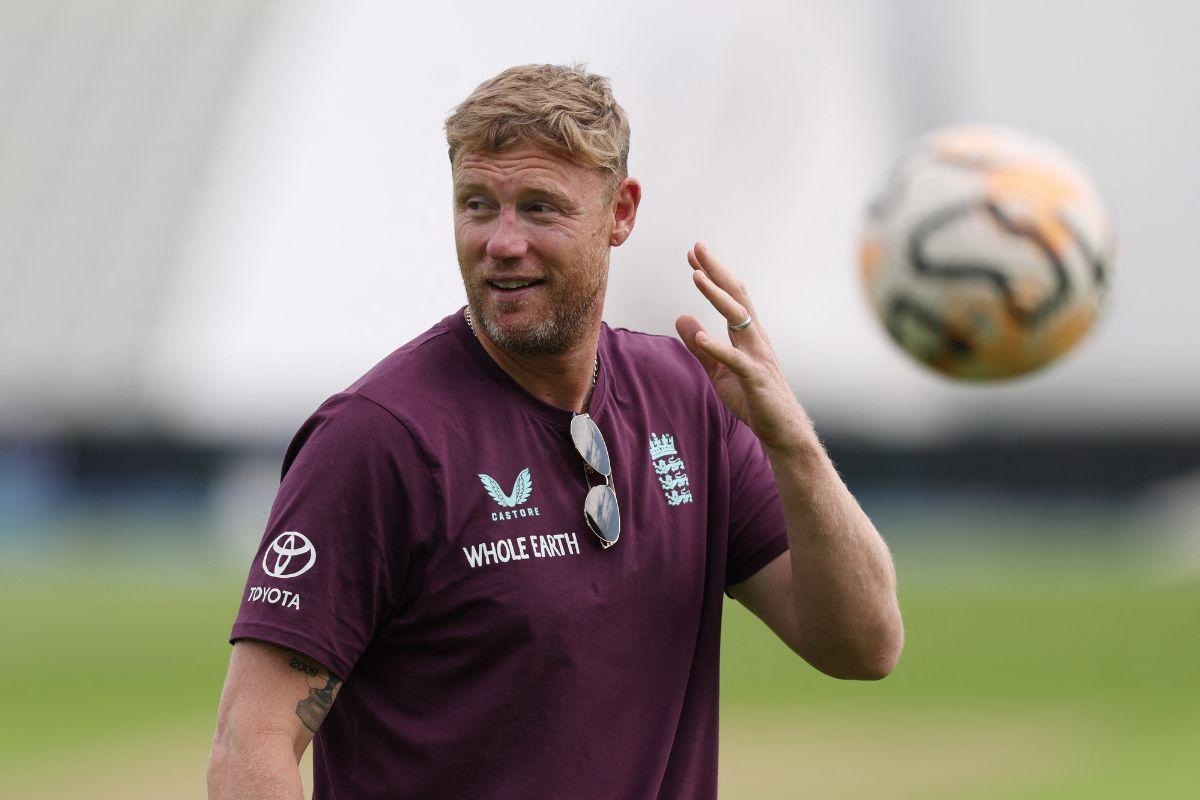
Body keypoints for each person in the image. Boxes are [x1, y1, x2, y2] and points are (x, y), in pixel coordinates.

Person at [207, 63, 903, 800]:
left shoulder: (689, 402)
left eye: (539, 209)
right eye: (478, 205)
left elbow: (863, 644)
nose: (502, 242)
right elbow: (250, 744)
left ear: (621, 213)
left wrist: (789, 438)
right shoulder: (379, 440)